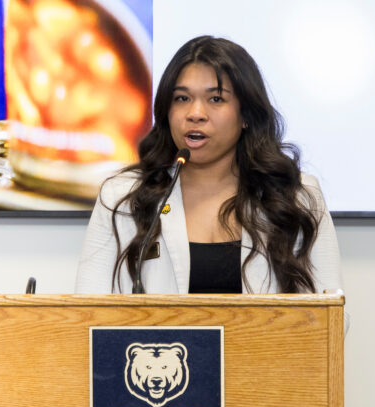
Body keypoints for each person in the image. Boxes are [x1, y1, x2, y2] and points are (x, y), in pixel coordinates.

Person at [75, 35, 342, 296]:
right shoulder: (122, 197)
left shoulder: (296, 198)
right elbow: (88, 314)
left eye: (216, 99)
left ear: (246, 115)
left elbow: (332, 320)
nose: (195, 114)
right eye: (182, 98)